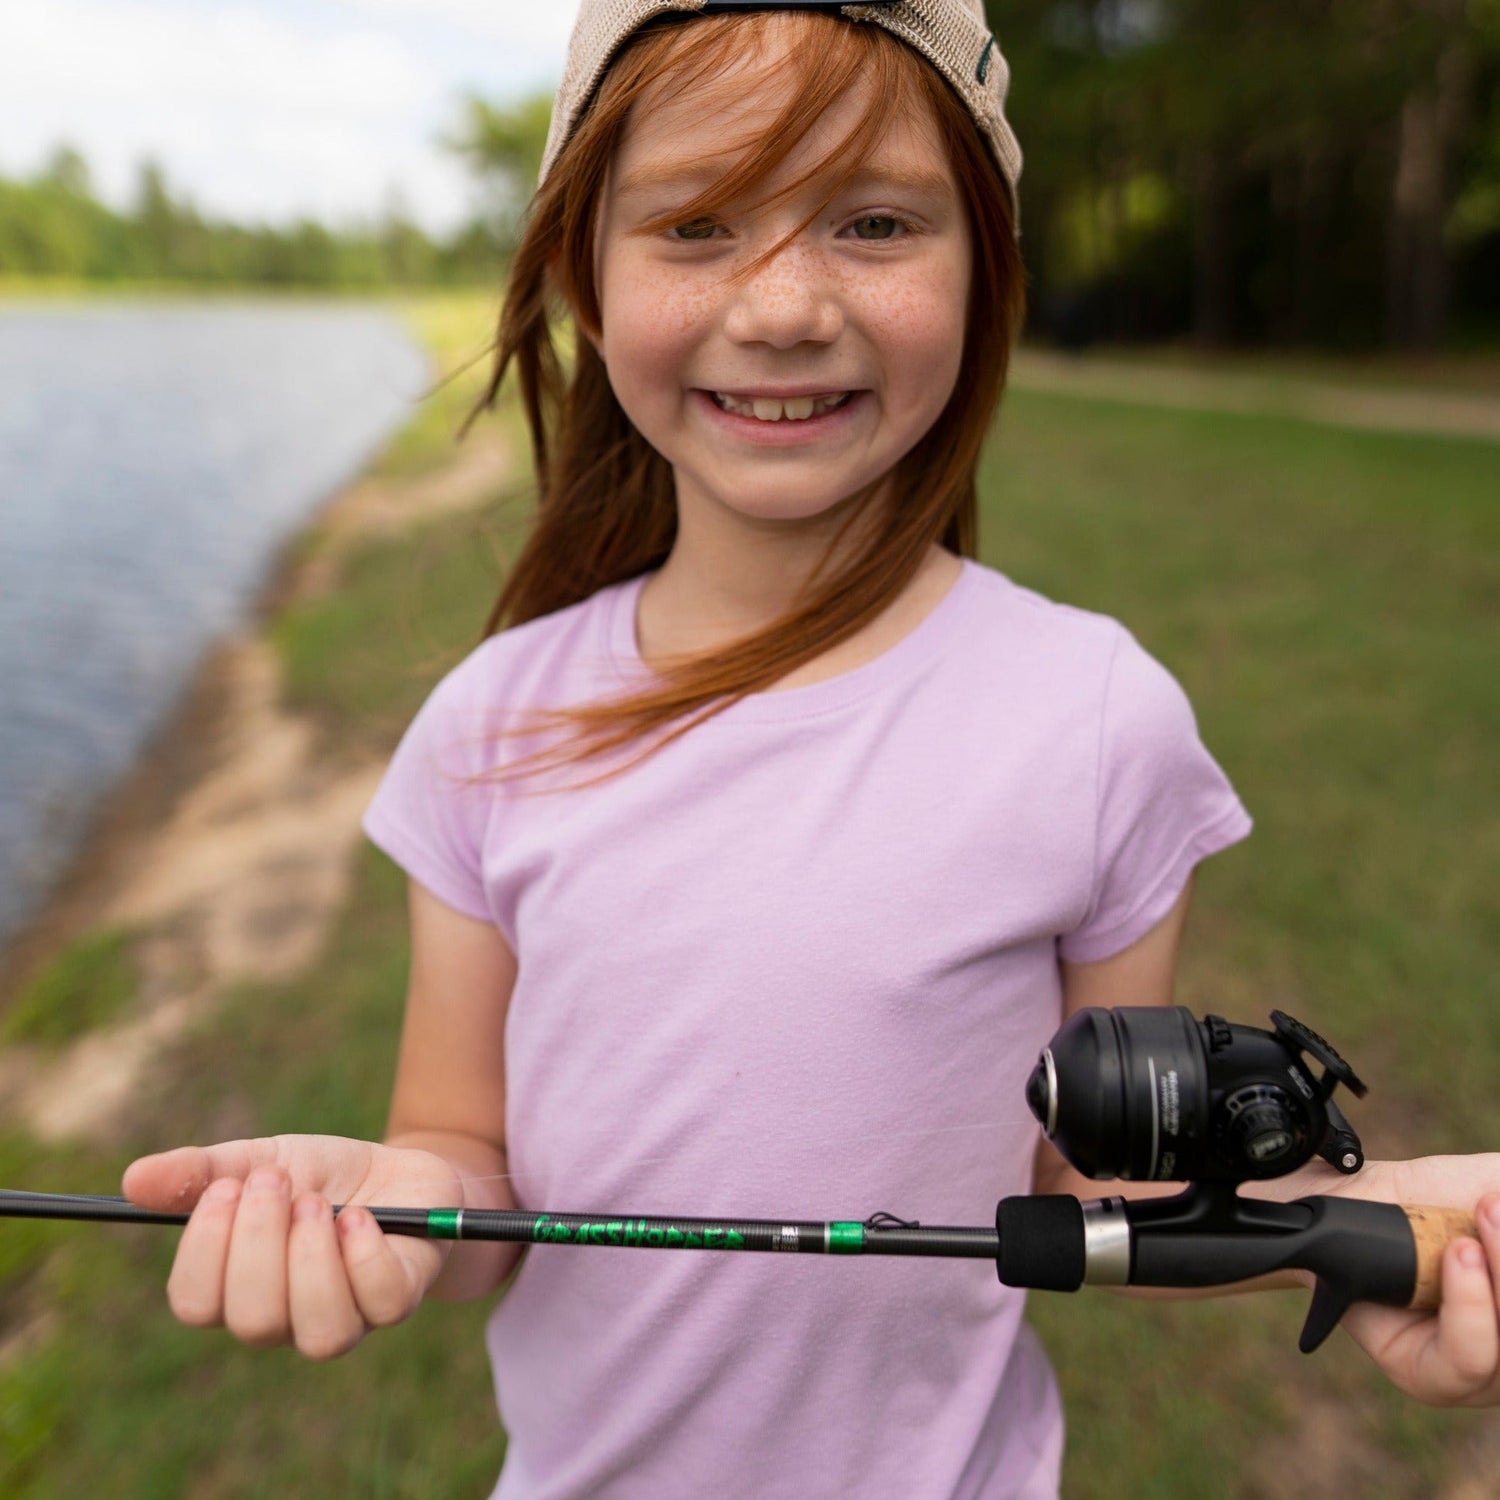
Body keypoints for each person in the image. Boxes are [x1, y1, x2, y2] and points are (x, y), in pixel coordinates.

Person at [123, 2, 1500, 1495]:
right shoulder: (486, 726)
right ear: (586, 278)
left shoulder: (1102, 719)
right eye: (697, 225)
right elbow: (465, 1178)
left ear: (985, 270)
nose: (783, 307)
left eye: (876, 223)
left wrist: (1378, 1231)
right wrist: (388, 1210)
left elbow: (1097, 1186)